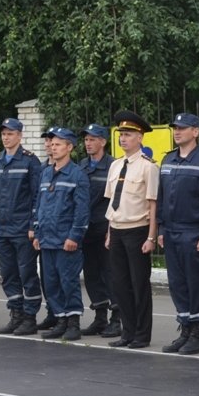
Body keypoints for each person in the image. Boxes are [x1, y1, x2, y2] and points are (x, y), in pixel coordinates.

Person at [156, 113, 199, 355]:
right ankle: (185, 330)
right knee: (177, 284)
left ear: (196, 131)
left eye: (182, 128)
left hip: (193, 231)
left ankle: (197, 335)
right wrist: (161, 228)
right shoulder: (168, 159)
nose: (177, 132)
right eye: (175, 128)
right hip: (171, 232)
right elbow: (161, 197)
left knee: (195, 284)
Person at [104, 111, 160, 349]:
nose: (123, 139)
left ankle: (142, 334)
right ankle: (127, 331)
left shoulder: (148, 167)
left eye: (128, 134)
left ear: (140, 137)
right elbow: (112, 201)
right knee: (120, 284)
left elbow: (153, 204)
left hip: (138, 230)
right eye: (121, 134)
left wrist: (151, 236)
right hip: (117, 229)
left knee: (139, 284)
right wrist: (109, 233)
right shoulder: (115, 165)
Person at [32, 128, 90, 340]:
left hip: (65, 239)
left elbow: (82, 210)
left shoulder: (77, 175)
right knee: (51, 283)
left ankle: (73, 322)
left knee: (68, 282)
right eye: (52, 144)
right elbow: (39, 205)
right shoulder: (46, 173)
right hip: (47, 239)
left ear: (69, 147)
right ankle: (60, 320)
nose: (53, 148)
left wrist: (74, 236)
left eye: (58, 144)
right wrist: (37, 233)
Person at [0, 117, 43, 335]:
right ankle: (16, 313)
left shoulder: (30, 161)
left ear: (19, 136)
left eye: (10, 134)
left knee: (27, 273)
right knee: (8, 274)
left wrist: (32, 225)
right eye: (3, 134)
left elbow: (36, 196)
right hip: (2, 229)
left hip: (22, 229)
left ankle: (30, 317)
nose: (6, 137)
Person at [77, 124, 117, 336]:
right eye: (86, 140)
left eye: (92, 139)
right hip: (86, 229)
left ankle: (117, 318)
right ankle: (100, 317)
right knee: (91, 274)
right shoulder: (82, 166)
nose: (88, 143)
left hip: (104, 227)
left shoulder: (113, 166)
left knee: (110, 273)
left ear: (103, 141)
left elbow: (115, 200)